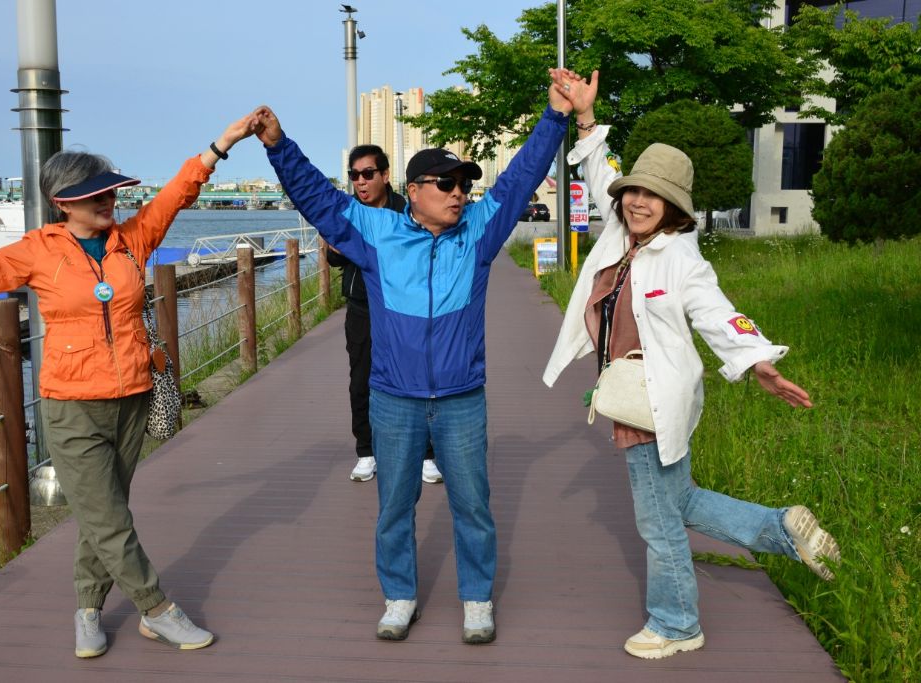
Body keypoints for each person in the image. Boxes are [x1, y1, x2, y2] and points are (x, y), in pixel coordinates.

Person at [0, 114, 262, 658]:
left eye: (111, 192)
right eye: (96, 196)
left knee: (103, 514)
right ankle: (157, 610)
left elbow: (178, 194)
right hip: (71, 405)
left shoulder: (132, 240)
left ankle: (88, 609)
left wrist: (223, 143)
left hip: (133, 397)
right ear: (63, 203)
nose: (109, 201)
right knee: (109, 519)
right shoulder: (37, 252)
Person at [247, 68, 579, 644]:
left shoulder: (478, 232)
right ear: (415, 190)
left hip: (461, 399)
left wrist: (555, 115)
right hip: (393, 400)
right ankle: (399, 596)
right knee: (394, 508)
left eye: (464, 185)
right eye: (446, 184)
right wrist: (279, 146)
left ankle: (476, 599)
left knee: (472, 507)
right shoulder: (377, 232)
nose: (459, 193)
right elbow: (318, 198)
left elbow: (521, 177)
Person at [542, 71, 841, 660]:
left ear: (674, 208)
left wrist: (758, 358)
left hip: (653, 403)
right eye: (633, 191)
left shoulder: (681, 258)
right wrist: (585, 116)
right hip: (630, 392)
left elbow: (719, 313)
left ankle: (677, 623)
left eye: (652, 196)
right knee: (680, 501)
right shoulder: (621, 233)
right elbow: (599, 172)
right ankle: (783, 528)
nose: (637, 201)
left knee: (659, 524)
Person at [329, 144, 443, 485]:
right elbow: (334, 258)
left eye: (367, 174)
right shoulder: (349, 212)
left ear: (385, 175)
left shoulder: (407, 212)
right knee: (361, 380)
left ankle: (426, 455)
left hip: (403, 311)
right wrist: (335, 244)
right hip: (361, 308)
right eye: (354, 175)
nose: (360, 182)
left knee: (417, 377)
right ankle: (367, 452)